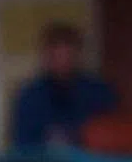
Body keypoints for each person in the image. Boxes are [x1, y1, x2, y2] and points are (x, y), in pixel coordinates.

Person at [10, 22, 118, 150]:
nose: (62, 62)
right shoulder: (29, 97)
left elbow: (112, 139)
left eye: (68, 55)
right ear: (45, 56)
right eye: (56, 56)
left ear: (78, 55)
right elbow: (21, 145)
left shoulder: (99, 92)